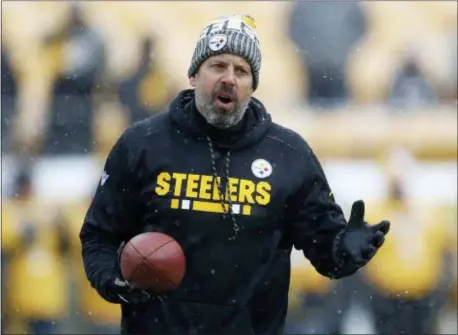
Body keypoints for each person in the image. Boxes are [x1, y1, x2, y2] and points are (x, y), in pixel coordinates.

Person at [80, 14, 390, 335]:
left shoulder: (288, 154)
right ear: (193, 75)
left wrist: (345, 250)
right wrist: (108, 278)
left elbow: (326, 253)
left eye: (241, 71)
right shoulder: (141, 144)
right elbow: (99, 234)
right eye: (217, 66)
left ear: (252, 86)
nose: (229, 78)